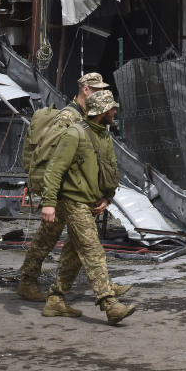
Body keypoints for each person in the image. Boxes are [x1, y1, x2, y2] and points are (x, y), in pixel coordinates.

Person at [17, 72, 130, 303]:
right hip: (62, 192)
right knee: (49, 237)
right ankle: (28, 281)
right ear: (86, 90)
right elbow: (51, 155)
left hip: (77, 190)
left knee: (80, 241)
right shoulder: (68, 117)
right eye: (98, 90)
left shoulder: (89, 117)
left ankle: (96, 286)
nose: (102, 94)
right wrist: (51, 196)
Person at [39, 89, 136, 325]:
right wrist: (49, 203)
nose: (115, 111)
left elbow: (109, 170)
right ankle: (109, 304)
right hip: (73, 202)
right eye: (112, 108)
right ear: (101, 111)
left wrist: (107, 197)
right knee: (92, 250)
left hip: (90, 202)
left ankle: (55, 299)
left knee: (74, 253)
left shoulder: (103, 135)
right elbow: (54, 170)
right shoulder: (75, 134)